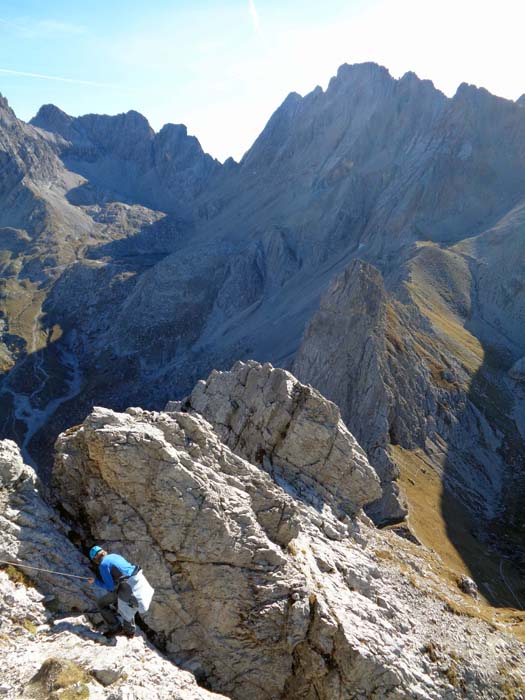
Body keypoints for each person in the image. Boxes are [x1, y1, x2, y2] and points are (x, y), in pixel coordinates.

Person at [88, 545, 154, 637]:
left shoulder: (103, 565)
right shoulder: (115, 555)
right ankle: (130, 632)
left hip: (127, 587)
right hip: (137, 581)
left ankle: (116, 628)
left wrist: (96, 582)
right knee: (128, 603)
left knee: (101, 603)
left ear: (95, 558)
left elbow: (110, 587)